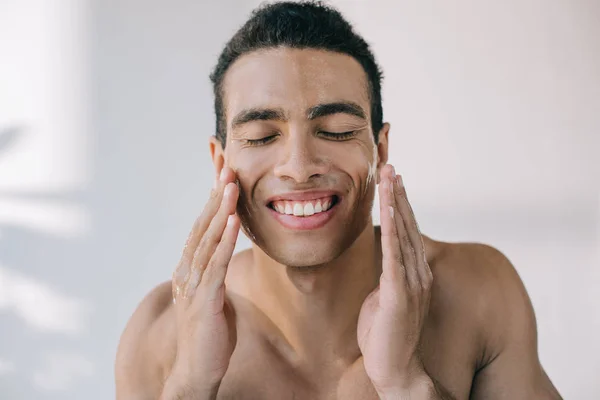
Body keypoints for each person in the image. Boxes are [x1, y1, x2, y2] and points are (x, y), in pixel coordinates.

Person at [115, 2, 563, 399]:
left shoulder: (479, 295)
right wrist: (190, 386)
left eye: (336, 131)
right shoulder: (158, 335)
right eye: (261, 136)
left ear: (380, 148)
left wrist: (407, 384)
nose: (299, 165)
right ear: (220, 162)